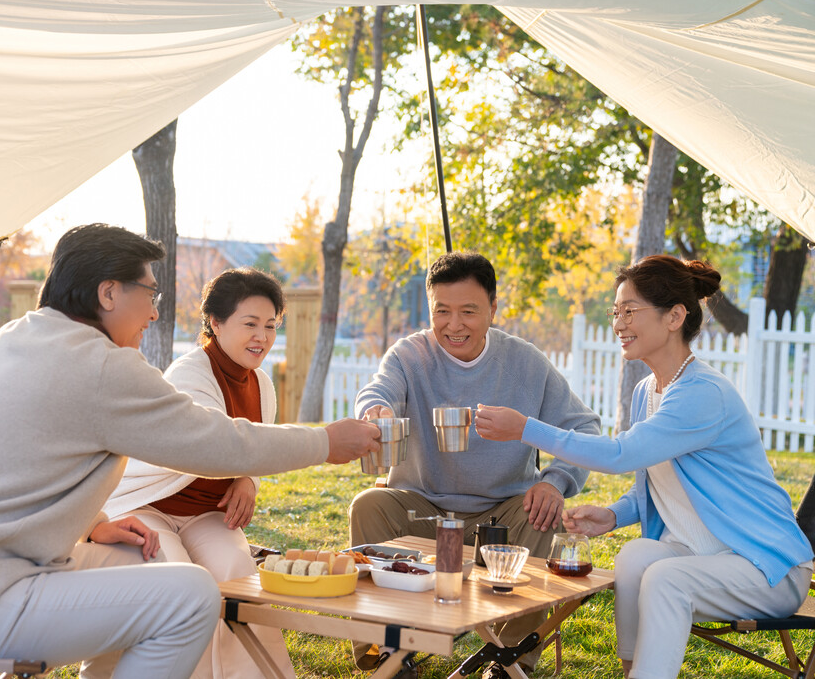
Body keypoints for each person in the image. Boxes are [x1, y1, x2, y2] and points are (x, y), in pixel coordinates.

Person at [0, 223, 380, 679]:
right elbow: (216, 441)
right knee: (190, 595)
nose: (155, 311)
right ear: (108, 292)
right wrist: (326, 442)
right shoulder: (100, 365)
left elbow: (29, 461)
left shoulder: (21, 336)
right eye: (150, 293)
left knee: (141, 561)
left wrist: (95, 521)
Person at [474, 255, 814, 679]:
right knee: (635, 558)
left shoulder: (702, 393)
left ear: (674, 316)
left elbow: (621, 455)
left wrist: (524, 427)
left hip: (766, 567)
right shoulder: (646, 391)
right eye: (616, 311)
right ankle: (634, 670)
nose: (618, 323)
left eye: (630, 311)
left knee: (666, 579)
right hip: (706, 555)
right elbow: (650, 483)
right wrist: (614, 515)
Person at [349, 252, 600, 677]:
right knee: (367, 506)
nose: (453, 324)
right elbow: (378, 391)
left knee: (542, 510)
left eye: (468, 311)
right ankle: (386, 648)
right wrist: (376, 412)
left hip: (501, 517)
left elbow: (585, 427)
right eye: (441, 312)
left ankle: (509, 658)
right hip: (421, 509)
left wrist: (556, 481)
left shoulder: (524, 361)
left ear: (493, 309)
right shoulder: (409, 355)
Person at [87, 267, 295, 679]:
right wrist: (247, 470)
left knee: (239, 578)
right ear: (215, 324)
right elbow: (219, 446)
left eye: (271, 326)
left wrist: (248, 480)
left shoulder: (264, 385)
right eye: (250, 324)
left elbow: (252, 450)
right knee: (184, 586)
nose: (262, 337)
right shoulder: (189, 375)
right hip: (146, 507)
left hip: (205, 512)